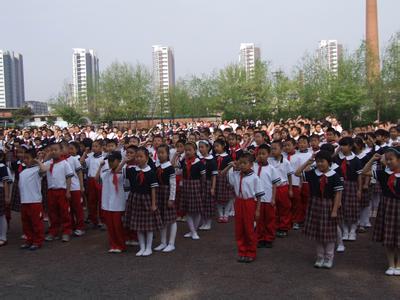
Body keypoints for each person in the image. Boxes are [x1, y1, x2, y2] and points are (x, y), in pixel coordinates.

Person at [295, 151, 343, 269]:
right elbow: (297, 173)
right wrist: (309, 161)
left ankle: (329, 257)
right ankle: (320, 257)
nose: (320, 164)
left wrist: (334, 210)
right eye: (318, 161)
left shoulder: (334, 175)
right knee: (318, 233)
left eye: (322, 161)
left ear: (329, 162)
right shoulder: (313, 173)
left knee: (329, 234)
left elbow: (338, 193)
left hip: (328, 205)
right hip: (315, 204)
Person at [362, 147, 400, 276]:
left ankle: (398, 265)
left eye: (391, 159)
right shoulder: (383, 173)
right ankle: (391, 264)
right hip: (387, 206)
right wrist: (373, 159)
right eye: (387, 159)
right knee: (389, 236)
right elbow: (364, 172)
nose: (389, 162)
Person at [226, 153, 264, 263]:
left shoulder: (255, 177)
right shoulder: (236, 174)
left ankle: (251, 252)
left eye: (245, 163)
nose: (242, 165)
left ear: (251, 164)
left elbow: (259, 195)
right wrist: (231, 166)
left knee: (249, 228)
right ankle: (242, 251)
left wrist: (257, 210)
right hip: (239, 202)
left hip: (249, 203)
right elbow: (222, 174)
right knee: (239, 228)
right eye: (240, 163)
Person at [124, 147, 162, 257]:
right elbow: (117, 171)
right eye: (137, 157)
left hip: (147, 200)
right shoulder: (132, 170)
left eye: (141, 156)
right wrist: (124, 161)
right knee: (138, 226)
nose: (138, 159)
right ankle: (142, 247)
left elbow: (153, 189)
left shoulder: (150, 172)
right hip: (135, 199)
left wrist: (154, 204)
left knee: (148, 226)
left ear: (147, 158)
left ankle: (148, 247)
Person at [38, 143, 73, 242]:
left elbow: (69, 178)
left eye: (56, 150)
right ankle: (53, 231)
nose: (54, 152)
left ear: (61, 151)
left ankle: (66, 231)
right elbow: (41, 169)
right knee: (52, 212)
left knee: (64, 212)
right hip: (51, 191)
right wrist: (44, 158)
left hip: (61, 191)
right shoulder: (49, 163)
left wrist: (68, 191)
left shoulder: (65, 163)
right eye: (52, 150)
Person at [96, 151, 126, 253]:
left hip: (118, 205)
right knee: (110, 226)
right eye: (109, 161)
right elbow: (96, 179)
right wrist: (100, 166)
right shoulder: (106, 173)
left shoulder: (123, 172)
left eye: (112, 161)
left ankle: (121, 245)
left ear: (119, 161)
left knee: (118, 226)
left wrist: (123, 163)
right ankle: (113, 244)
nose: (110, 163)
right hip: (107, 204)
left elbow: (118, 171)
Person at [334, 137, 362, 242]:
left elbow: (359, 175)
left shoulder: (356, 160)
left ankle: (353, 230)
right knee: (343, 208)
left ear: (350, 146)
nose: (342, 147)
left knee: (353, 208)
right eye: (340, 145)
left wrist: (359, 189)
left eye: (344, 145)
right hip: (340, 185)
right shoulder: (337, 158)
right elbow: (329, 161)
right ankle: (345, 230)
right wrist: (335, 153)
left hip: (352, 185)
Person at [254, 144, 280, 248]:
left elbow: (274, 185)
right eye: (259, 153)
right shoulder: (253, 167)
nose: (261, 156)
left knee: (269, 219)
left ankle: (269, 238)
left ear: (268, 155)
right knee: (259, 220)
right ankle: (260, 238)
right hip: (256, 199)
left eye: (263, 154)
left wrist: (273, 198)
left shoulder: (271, 169)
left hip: (268, 198)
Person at [18, 149, 45, 250]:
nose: (25, 160)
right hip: (24, 201)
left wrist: (37, 161)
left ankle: (38, 241)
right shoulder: (22, 172)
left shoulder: (37, 169)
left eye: (27, 158)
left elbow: (44, 170)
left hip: (35, 201)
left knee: (36, 222)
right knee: (26, 223)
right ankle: (29, 240)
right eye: (24, 158)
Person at [154, 144, 177, 253]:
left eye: (162, 153)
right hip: (159, 193)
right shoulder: (157, 166)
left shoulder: (170, 168)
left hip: (167, 193)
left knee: (171, 220)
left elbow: (173, 184)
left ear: (167, 154)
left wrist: (171, 198)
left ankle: (171, 243)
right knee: (162, 218)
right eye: (158, 153)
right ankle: (163, 242)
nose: (160, 155)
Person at [180, 142, 205, 240]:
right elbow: (176, 167)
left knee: (197, 210)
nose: (187, 152)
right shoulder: (183, 161)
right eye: (186, 150)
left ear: (195, 150)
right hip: (186, 186)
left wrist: (202, 188)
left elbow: (203, 176)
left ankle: (194, 230)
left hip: (196, 186)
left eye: (190, 150)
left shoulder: (199, 162)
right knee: (188, 211)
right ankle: (192, 231)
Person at [268, 141, 294, 237]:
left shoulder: (286, 162)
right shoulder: (269, 161)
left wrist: (290, 189)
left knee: (284, 208)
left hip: (283, 187)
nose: (273, 151)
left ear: (281, 150)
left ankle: (284, 227)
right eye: (271, 149)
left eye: (275, 149)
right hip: (272, 188)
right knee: (274, 208)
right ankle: (275, 226)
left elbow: (290, 175)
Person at [81, 140, 104, 228]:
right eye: (93, 146)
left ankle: (102, 220)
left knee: (100, 201)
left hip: (99, 180)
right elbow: (81, 162)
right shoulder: (90, 157)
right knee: (91, 201)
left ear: (101, 147)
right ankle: (94, 220)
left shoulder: (103, 157)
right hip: (90, 180)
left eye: (96, 146)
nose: (94, 148)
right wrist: (85, 153)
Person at [66, 141, 85, 236]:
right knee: (69, 209)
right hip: (66, 189)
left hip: (75, 187)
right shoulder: (61, 161)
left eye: (70, 148)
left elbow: (79, 173)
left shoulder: (74, 159)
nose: (68, 150)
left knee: (77, 209)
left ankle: (80, 227)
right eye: (67, 148)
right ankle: (71, 226)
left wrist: (81, 186)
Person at [198, 140, 217, 230]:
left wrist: (213, 187)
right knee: (202, 203)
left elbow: (214, 175)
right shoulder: (198, 159)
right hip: (200, 184)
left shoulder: (211, 160)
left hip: (208, 183)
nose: (201, 149)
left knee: (208, 203)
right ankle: (203, 222)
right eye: (199, 147)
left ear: (208, 147)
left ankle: (208, 223)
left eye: (202, 147)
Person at [214, 139, 234, 223]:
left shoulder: (228, 157)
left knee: (228, 197)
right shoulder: (214, 157)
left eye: (217, 146)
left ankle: (226, 214)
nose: (215, 148)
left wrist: (231, 180)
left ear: (223, 146)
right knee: (217, 197)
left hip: (225, 178)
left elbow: (231, 169)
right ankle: (220, 214)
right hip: (216, 178)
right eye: (214, 146)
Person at [0, 151, 11, 247]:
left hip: (0, 190)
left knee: (1, 214)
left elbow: (6, 182)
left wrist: (7, 196)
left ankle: (3, 237)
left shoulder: (2, 167)